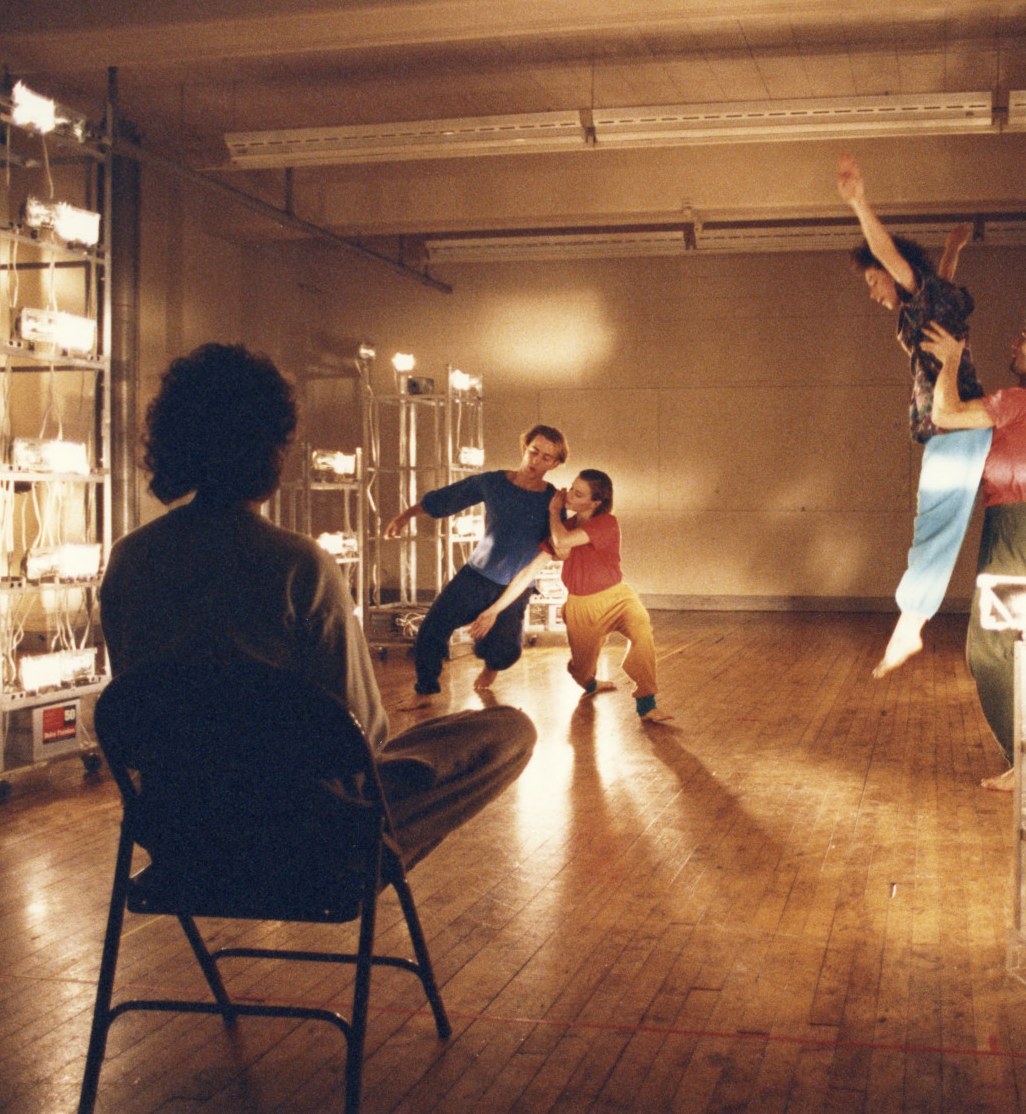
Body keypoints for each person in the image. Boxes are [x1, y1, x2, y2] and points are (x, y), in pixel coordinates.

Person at [100, 343, 536, 863]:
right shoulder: (298, 566)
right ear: (270, 448)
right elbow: (364, 732)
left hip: (178, 829)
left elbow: (142, 698)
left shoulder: (129, 559)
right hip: (301, 829)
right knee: (507, 729)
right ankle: (372, 853)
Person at [836, 152, 988, 679]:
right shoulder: (928, 303)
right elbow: (938, 281)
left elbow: (891, 255)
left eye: (872, 282)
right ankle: (912, 621)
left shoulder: (917, 292)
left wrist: (859, 203)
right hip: (952, 428)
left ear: (891, 271)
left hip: (958, 425)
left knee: (936, 528)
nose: (874, 293)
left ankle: (911, 625)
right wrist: (952, 248)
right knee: (933, 524)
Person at [920, 304, 1026, 790]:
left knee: (987, 651)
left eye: (1023, 336)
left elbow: (945, 414)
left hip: (1016, 527)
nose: (1014, 343)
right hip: (1018, 527)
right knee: (1007, 648)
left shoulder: (1021, 401)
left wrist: (951, 359)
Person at [385, 423, 567, 700]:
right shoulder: (493, 482)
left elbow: (560, 544)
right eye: (533, 451)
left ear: (555, 464)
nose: (536, 461)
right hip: (475, 577)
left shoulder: (553, 501)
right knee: (431, 631)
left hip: (514, 588)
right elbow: (446, 499)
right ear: (524, 448)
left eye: (546, 457)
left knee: (505, 653)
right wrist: (404, 517)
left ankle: (490, 664)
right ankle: (424, 692)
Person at [471, 469, 669, 722]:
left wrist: (553, 512)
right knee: (582, 670)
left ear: (595, 502)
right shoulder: (561, 527)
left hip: (618, 598)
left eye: (578, 493)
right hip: (581, 606)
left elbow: (563, 542)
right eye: (571, 488)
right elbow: (528, 571)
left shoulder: (606, 522)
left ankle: (647, 704)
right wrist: (493, 610)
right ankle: (589, 682)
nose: (569, 495)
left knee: (641, 630)